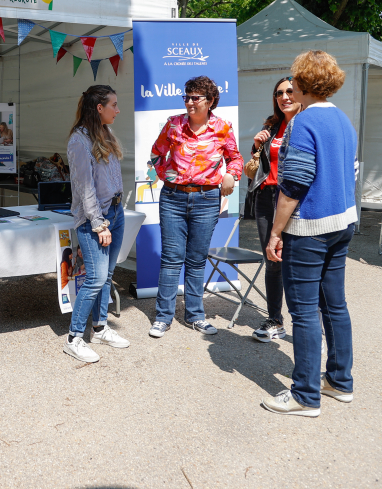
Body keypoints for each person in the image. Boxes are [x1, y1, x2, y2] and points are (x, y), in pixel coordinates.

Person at [261, 50, 358, 417]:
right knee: (335, 304)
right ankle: (339, 382)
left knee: (302, 312)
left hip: (311, 229)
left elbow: (295, 184)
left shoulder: (303, 122)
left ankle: (304, 395)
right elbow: (349, 174)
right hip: (341, 224)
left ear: (302, 82)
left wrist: (276, 232)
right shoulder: (342, 119)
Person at [148, 76, 243, 339]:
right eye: (186, 97)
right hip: (173, 198)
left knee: (196, 259)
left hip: (207, 199)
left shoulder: (223, 127)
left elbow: (235, 158)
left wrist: (231, 176)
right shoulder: (174, 124)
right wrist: (166, 175)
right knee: (171, 258)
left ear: (210, 101)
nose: (189, 102)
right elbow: (157, 153)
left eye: (195, 97)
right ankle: (163, 317)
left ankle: (195, 315)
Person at [63, 84, 130, 363]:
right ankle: (74, 338)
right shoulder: (79, 141)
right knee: (95, 279)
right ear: (99, 108)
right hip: (95, 219)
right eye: (113, 104)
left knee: (107, 275)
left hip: (115, 213)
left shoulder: (106, 131)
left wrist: (115, 212)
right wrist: (99, 224)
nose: (118, 109)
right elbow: (85, 188)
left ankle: (100, 328)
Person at [244, 77, 301, 342]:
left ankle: (309, 326)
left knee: (300, 262)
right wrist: (257, 146)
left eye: (290, 91)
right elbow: (257, 167)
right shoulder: (272, 125)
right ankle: (275, 321)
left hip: (294, 199)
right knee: (273, 260)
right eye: (279, 93)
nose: (284, 97)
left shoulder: (307, 123)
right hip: (267, 198)